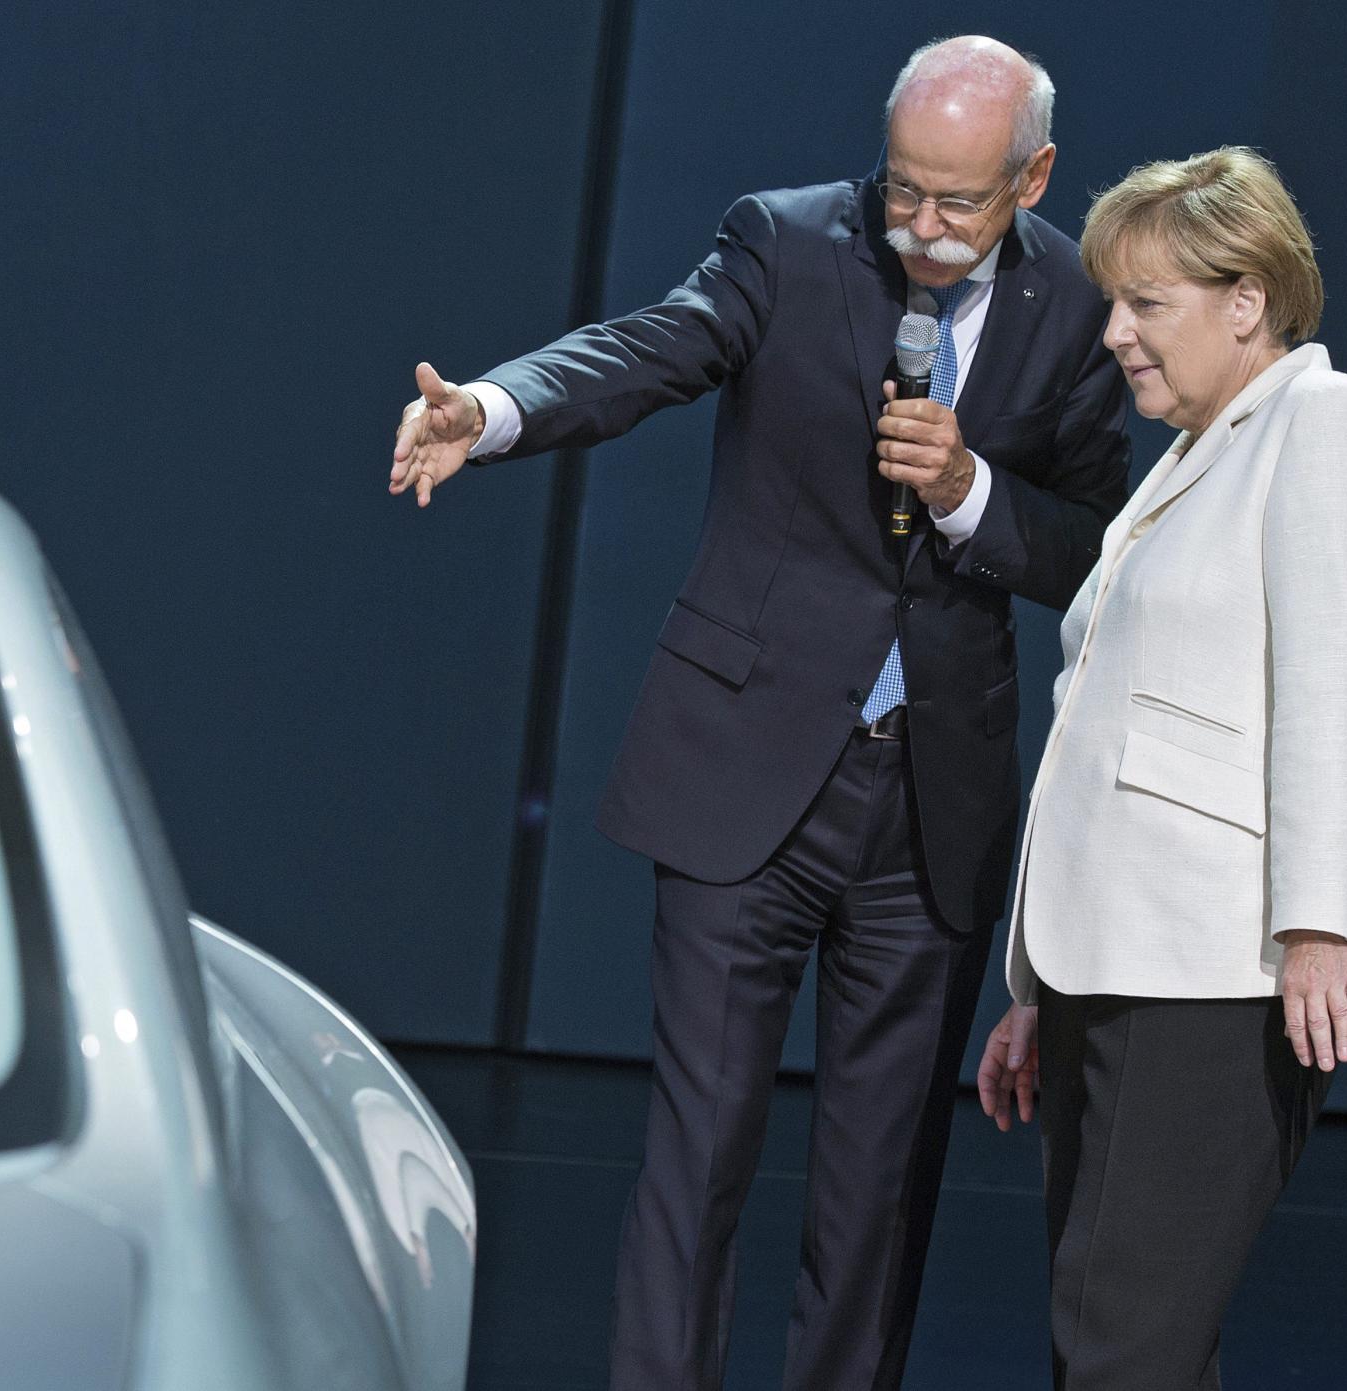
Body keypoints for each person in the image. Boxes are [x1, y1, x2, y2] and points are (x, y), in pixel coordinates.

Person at [392, 36, 1130, 1391]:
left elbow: (1094, 545)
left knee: (880, 1186)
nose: (919, 227)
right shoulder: (787, 243)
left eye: (958, 202)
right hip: (744, 778)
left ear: (1034, 176)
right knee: (698, 1153)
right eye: (904, 187)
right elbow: (643, 352)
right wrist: (495, 409)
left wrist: (970, 491)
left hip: (931, 805)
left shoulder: (1083, 304)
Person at [974, 146, 1347, 1389]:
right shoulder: (1194, 454)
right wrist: (1037, 983)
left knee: (1121, 1333)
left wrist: (1317, 924)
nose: (1115, 333)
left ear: (1245, 300)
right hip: (1121, 962)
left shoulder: (1321, 425)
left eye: (1146, 304)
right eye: (1111, 303)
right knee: (1132, 1333)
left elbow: (1341, 690)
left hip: (1216, 968)